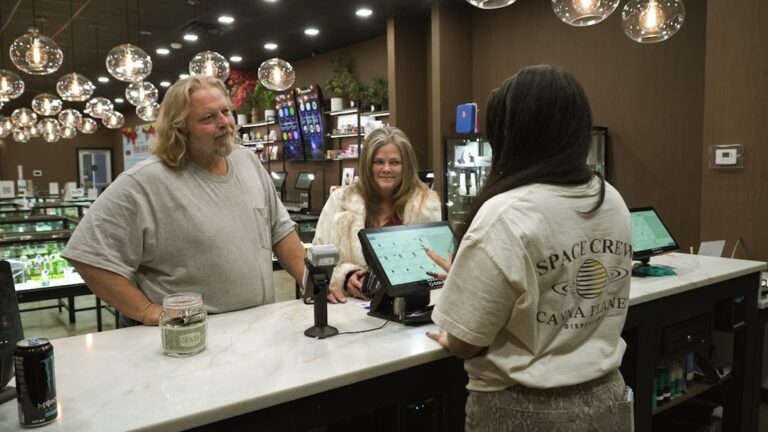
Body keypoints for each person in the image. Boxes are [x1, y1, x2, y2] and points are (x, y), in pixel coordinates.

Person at [426, 65, 634, 431]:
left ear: (512, 134)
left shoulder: (505, 213)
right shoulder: (610, 198)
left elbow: (465, 341)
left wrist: (450, 331)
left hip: (525, 411)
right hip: (609, 399)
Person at [63, 76, 305, 327]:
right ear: (180, 129)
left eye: (226, 112)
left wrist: (311, 283)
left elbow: (281, 232)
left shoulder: (248, 162)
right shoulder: (144, 182)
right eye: (208, 118)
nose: (224, 123)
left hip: (255, 332)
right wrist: (146, 310)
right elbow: (88, 256)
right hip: (189, 339)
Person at [313, 126, 441, 303]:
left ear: (407, 166)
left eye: (395, 162)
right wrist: (346, 276)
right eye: (378, 162)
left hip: (404, 311)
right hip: (348, 311)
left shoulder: (425, 206)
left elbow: (434, 269)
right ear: (367, 165)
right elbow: (318, 262)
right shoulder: (340, 201)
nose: (386, 169)